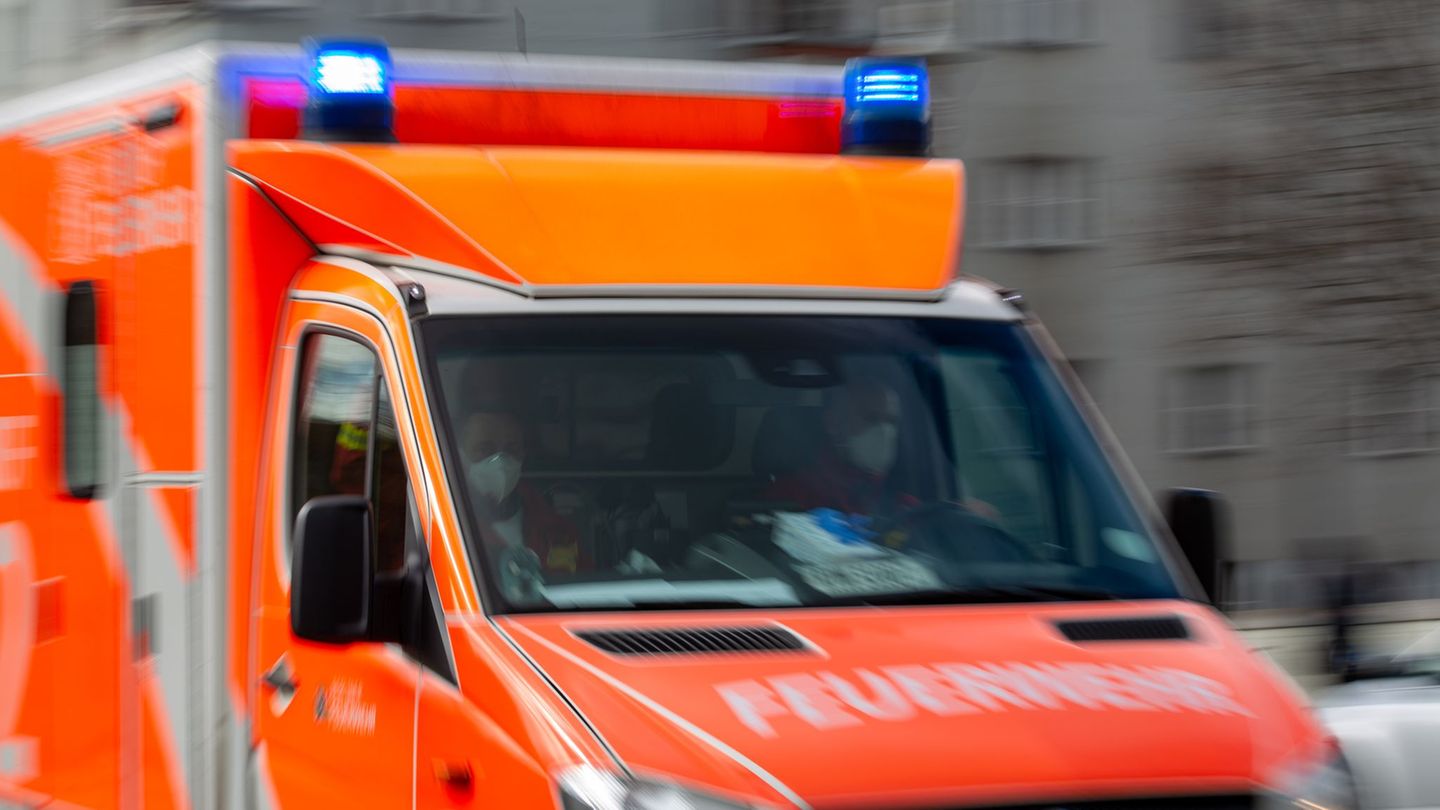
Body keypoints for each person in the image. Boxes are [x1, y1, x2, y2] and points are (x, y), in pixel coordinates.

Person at [459, 409, 586, 576]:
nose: (501, 461)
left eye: (511, 450)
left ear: (523, 455)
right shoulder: (450, 529)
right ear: (460, 456)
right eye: (485, 450)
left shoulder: (558, 530)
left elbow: (583, 587)